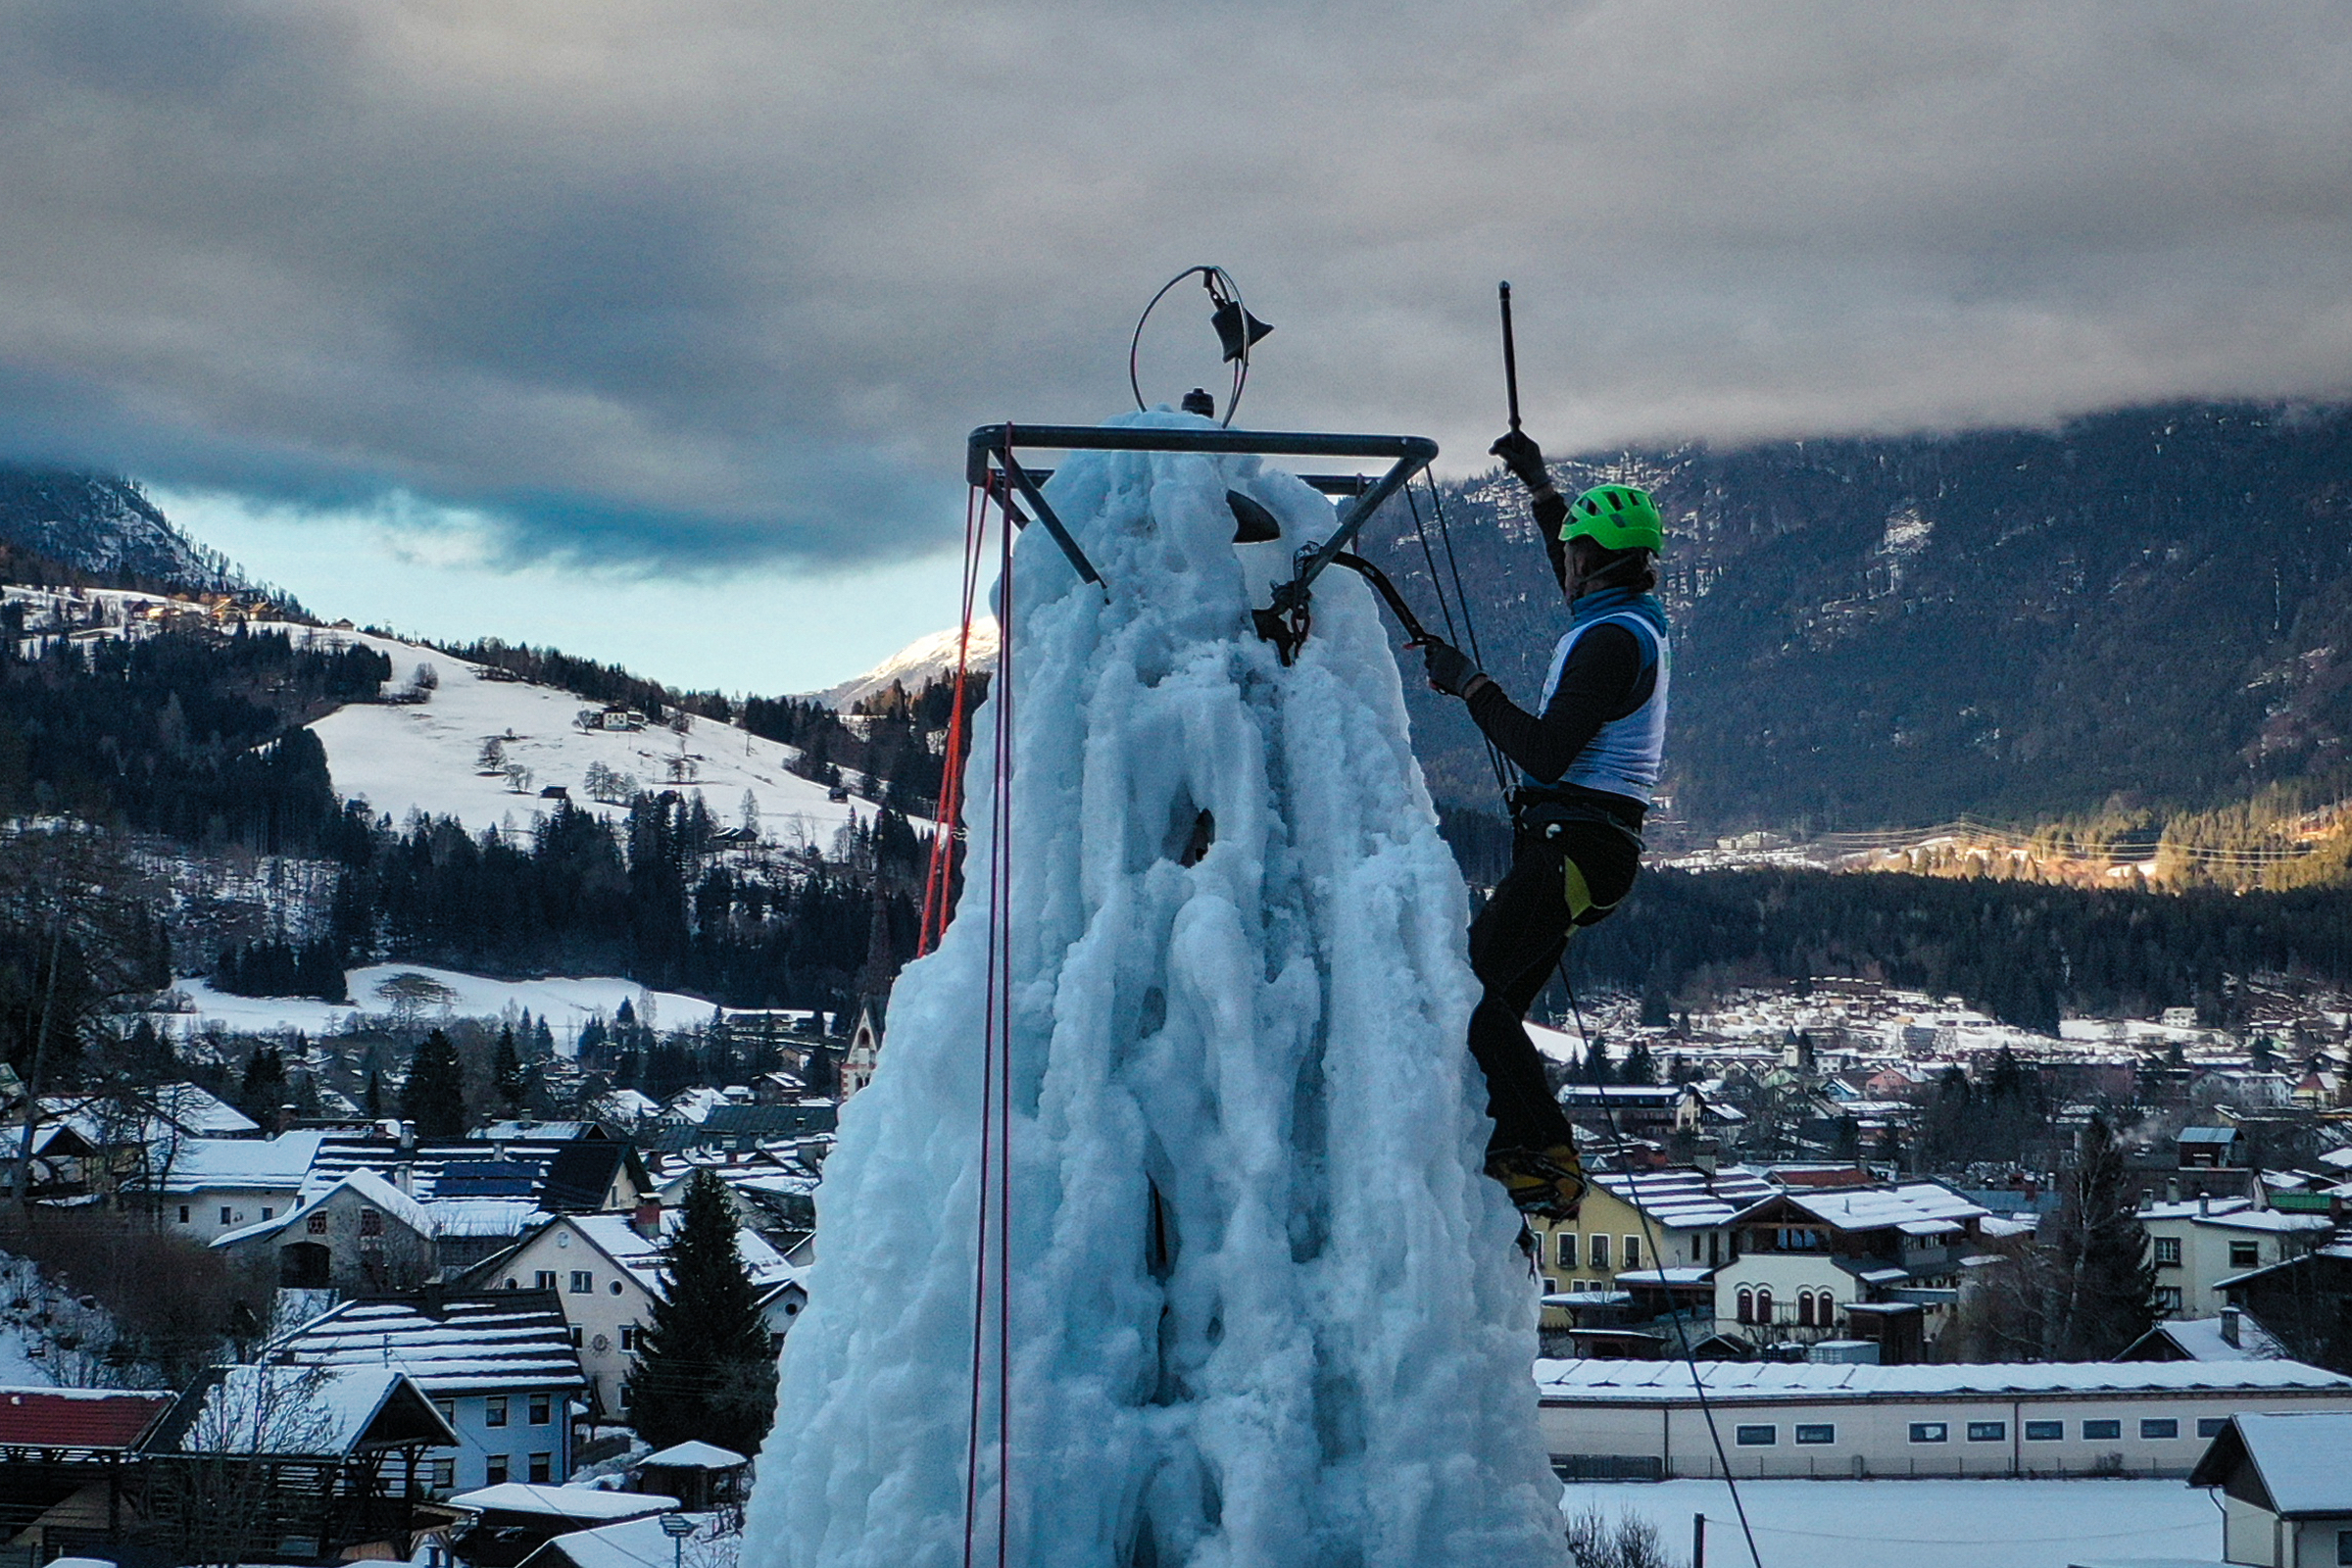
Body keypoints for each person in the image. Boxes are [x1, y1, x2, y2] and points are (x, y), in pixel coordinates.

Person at [1417, 430, 1671, 1219]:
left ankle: (1546, 1156)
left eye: (1572, 554)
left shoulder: (1608, 642)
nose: (1564, 564)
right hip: (1589, 849)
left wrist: (1471, 686)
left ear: (1590, 563)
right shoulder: (1626, 614)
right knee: (1489, 1005)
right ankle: (1508, 1148)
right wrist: (1539, 489)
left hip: (1576, 843)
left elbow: (1547, 752)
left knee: (1470, 989)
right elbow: (1574, 553)